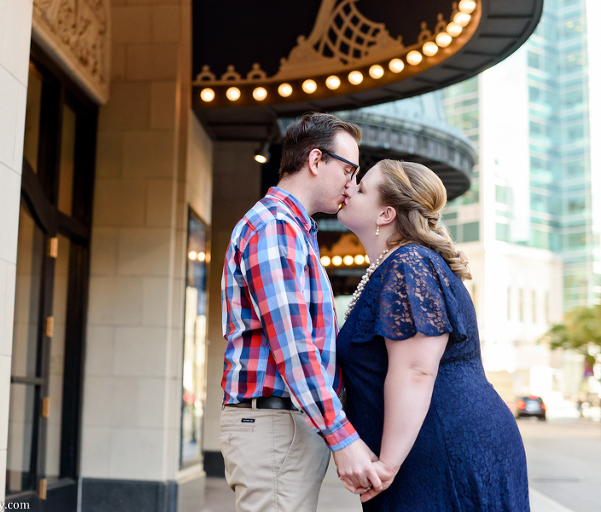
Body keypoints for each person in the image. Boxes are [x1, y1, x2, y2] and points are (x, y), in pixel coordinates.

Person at [336, 159, 530, 510]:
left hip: (442, 448)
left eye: (362, 187)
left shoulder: (409, 263)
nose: (349, 188)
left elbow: (415, 371)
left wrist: (388, 464)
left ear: (386, 215)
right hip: (424, 444)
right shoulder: (397, 264)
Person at [220, 112, 384, 512]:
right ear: (315, 161)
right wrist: (342, 438)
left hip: (284, 425)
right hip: (276, 426)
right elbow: (294, 348)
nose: (352, 183)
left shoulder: (291, 229)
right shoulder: (275, 227)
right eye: (349, 169)